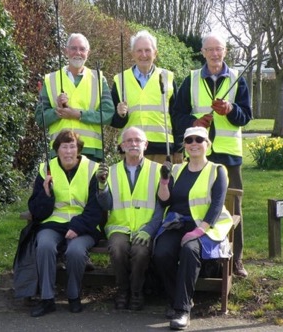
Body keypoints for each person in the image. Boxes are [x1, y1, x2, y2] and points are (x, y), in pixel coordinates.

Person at [172, 32, 252, 278]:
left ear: (225, 51)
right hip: (198, 154)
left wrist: (230, 109)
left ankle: (235, 259)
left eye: (219, 49)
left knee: (232, 207)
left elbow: (246, 116)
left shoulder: (238, 79)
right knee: (197, 205)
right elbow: (177, 116)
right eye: (210, 50)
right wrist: (195, 121)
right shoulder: (192, 79)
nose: (215, 54)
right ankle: (203, 257)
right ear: (203, 52)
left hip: (228, 155)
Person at [153, 126, 234, 330]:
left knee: (190, 250)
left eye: (199, 139)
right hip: (177, 223)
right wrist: (164, 180)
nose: (194, 143)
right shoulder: (178, 169)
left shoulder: (217, 170)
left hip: (205, 226)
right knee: (161, 252)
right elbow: (164, 201)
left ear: (208, 144)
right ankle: (177, 298)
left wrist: (198, 231)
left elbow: (216, 205)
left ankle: (182, 310)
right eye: (189, 140)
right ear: (185, 146)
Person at [24, 129, 103, 317]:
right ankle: (47, 299)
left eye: (72, 147)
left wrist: (78, 227)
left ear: (79, 149)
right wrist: (46, 193)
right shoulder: (46, 169)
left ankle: (74, 296)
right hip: (53, 222)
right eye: (64, 147)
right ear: (57, 150)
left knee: (75, 251)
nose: (68, 151)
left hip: (84, 225)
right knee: (44, 245)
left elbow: (97, 208)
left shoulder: (93, 169)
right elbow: (36, 210)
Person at [96, 127, 163, 310]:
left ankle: (136, 292)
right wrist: (102, 185)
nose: (133, 144)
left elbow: (162, 206)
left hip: (146, 226)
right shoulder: (111, 171)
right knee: (118, 249)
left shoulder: (158, 170)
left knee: (141, 252)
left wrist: (149, 230)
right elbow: (106, 205)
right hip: (119, 226)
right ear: (122, 146)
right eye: (129, 141)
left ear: (145, 145)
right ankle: (122, 290)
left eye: (138, 140)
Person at [35, 33, 115, 162]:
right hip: (60, 150)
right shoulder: (50, 80)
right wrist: (57, 111)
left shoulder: (99, 79)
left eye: (82, 49)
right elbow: (40, 118)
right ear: (66, 51)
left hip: (91, 151)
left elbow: (108, 114)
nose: (78, 52)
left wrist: (78, 114)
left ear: (88, 53)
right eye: (73, 48)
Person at [110, 30, 181, 164]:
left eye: (148, 50)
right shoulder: (120, 80)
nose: (144, 55)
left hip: (162, 150)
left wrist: (178, 148)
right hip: (130, 148)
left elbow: (177, 116)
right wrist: (120, 115)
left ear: (155, 53)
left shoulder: (167, 78)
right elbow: (114, 122)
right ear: (132, 54)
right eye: (139, 51)